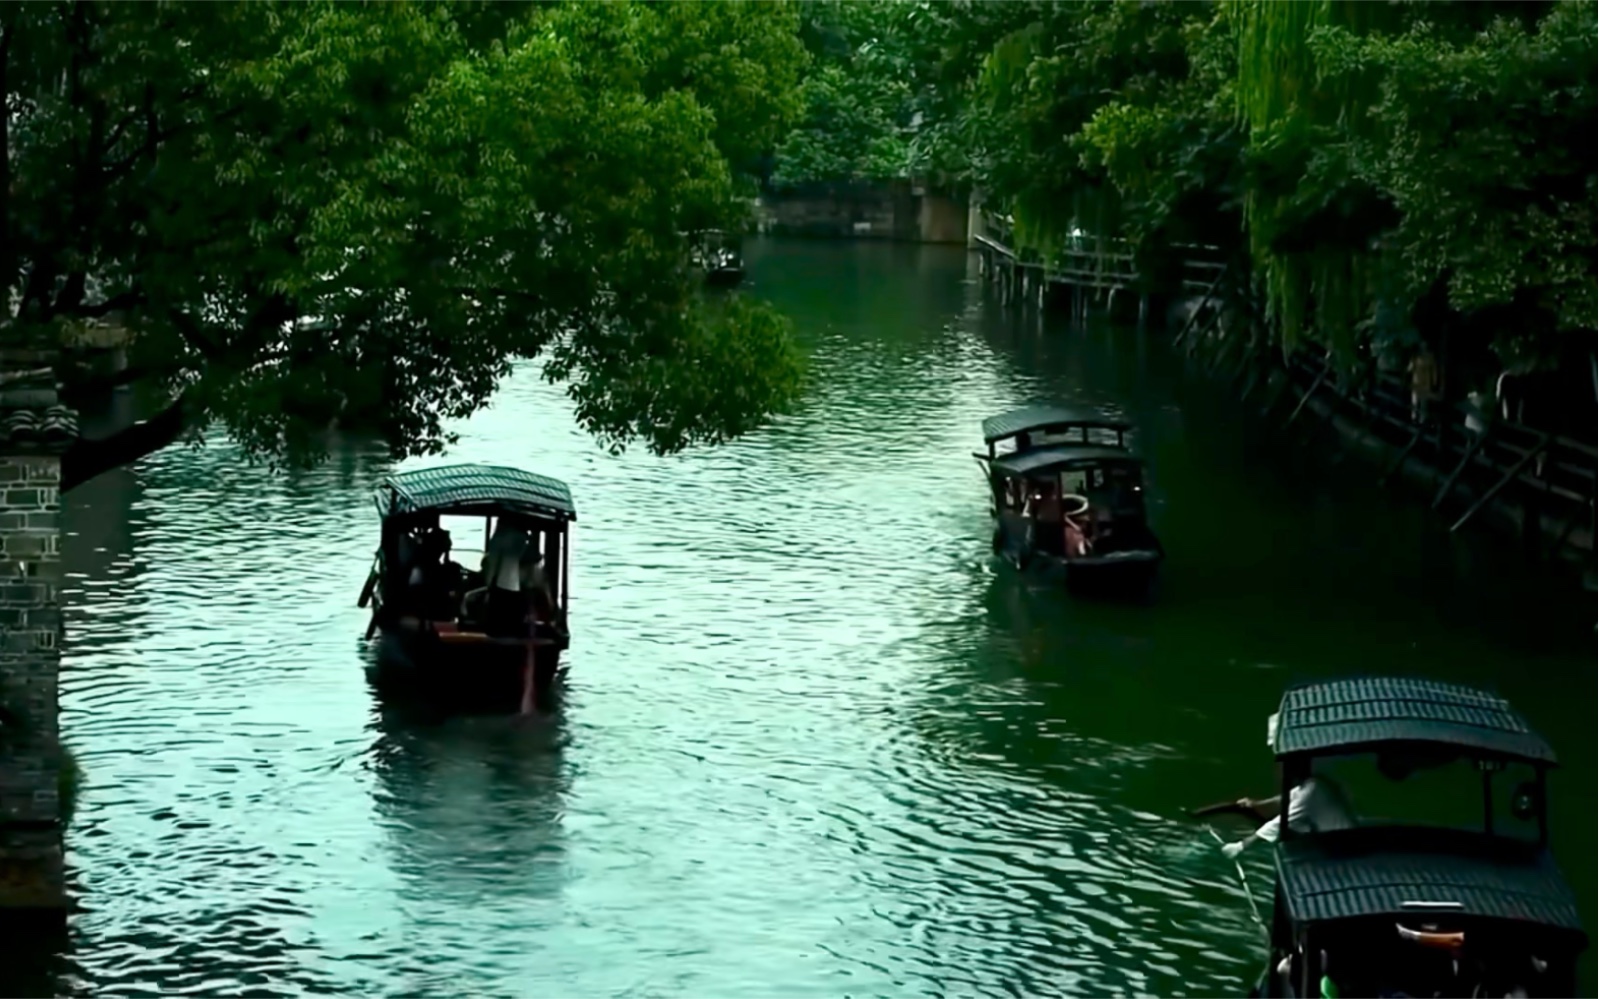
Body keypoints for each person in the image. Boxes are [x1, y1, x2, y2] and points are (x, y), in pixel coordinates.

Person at [1221, 712, 1356, 859]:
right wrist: (1255, 804)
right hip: (1328, 839)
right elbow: (1286, 800)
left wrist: (1242, 845)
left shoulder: (1314, 789)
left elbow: (1280, 824)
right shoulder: (1311, 785)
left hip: (1340, 850)